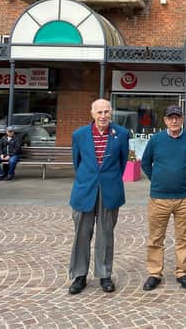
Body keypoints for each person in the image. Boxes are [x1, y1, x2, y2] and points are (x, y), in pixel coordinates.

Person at [67, 99, 129, 295]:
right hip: (85, 190)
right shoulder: (79, 135)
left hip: (110, 190)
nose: (103, 116)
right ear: (92, 113)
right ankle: (79, 275)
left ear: (111, 113)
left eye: (106, 112)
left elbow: (122, 162)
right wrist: (90, 179)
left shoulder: (121, 134)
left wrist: (107, 179)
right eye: (99, 112)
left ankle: (104, 275)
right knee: (81, 235)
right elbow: (77, 163)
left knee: (106, 234)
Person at [140, 104, 186, 291]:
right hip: (159, 198)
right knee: (155, 238)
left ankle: (182, 272)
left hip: (184, 198)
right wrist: (157, 179)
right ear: (165, 120)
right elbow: (145, 163)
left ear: (182, 119)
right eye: (170, 117)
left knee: (185, 238)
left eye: (177, 117)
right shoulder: (156, 140)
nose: (174, 120)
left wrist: (181, 177)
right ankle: (154, 273)